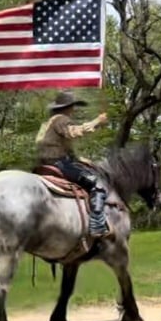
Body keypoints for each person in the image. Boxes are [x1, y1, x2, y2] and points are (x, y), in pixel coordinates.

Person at [35, 90, 111, 238]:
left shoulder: (49, 123)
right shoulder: (61, 119)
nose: (74, 110)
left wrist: (79, 159)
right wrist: (97, 121)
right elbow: (74, 132)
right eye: (73, 106)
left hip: (45, 163)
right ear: (68, 107)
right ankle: (96, 224)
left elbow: (64, 147)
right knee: (97, 184)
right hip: (59, 164)